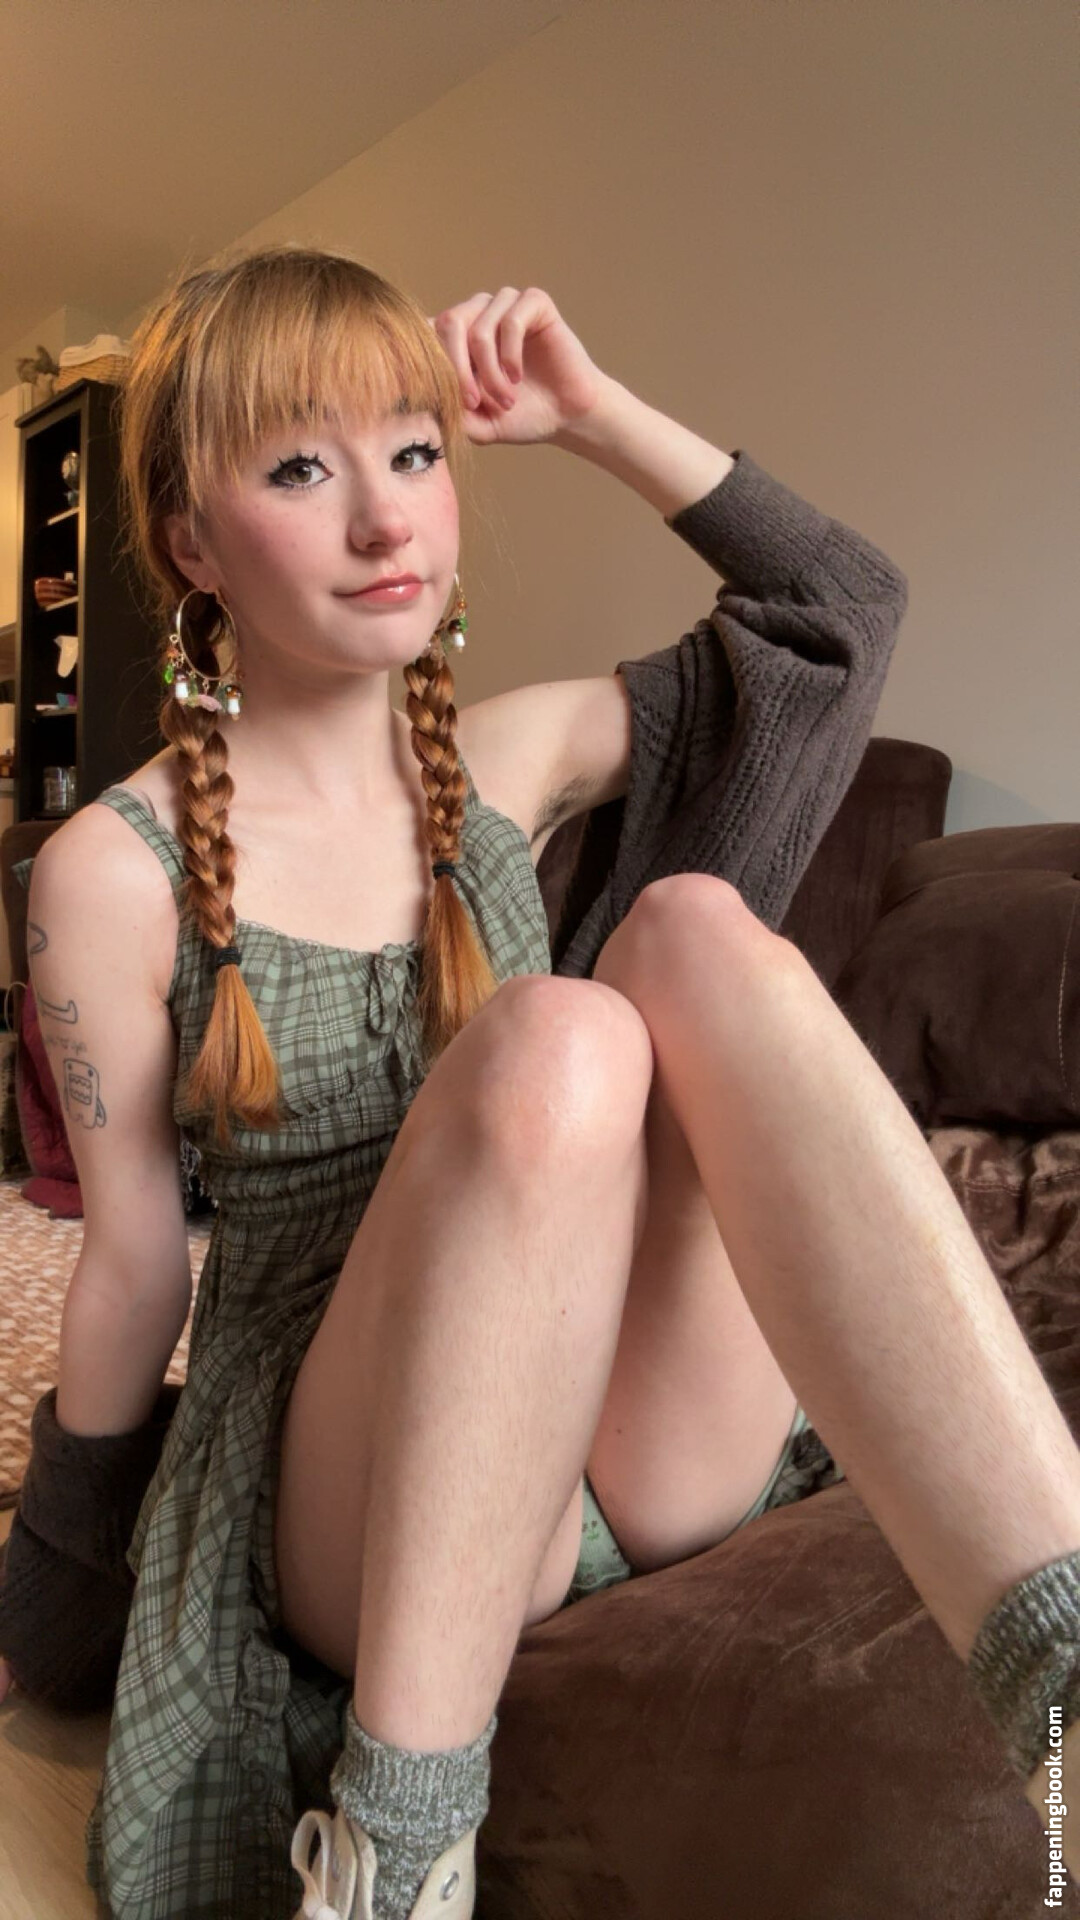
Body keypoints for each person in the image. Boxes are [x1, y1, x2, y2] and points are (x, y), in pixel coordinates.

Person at [2, 241, 1078, 1920]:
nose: (389, 522)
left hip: (632, 1436)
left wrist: (593, 413)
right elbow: (136, 1269)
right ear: (192, 542)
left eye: (414, 452)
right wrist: (56, 1608)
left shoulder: (508, 757)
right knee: (565, 1035)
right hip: (362, 1487)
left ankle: (1063, 1672)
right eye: (302, 470)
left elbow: (839, 618)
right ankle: (394, 1856)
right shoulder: (111, 867)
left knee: (695, 931)